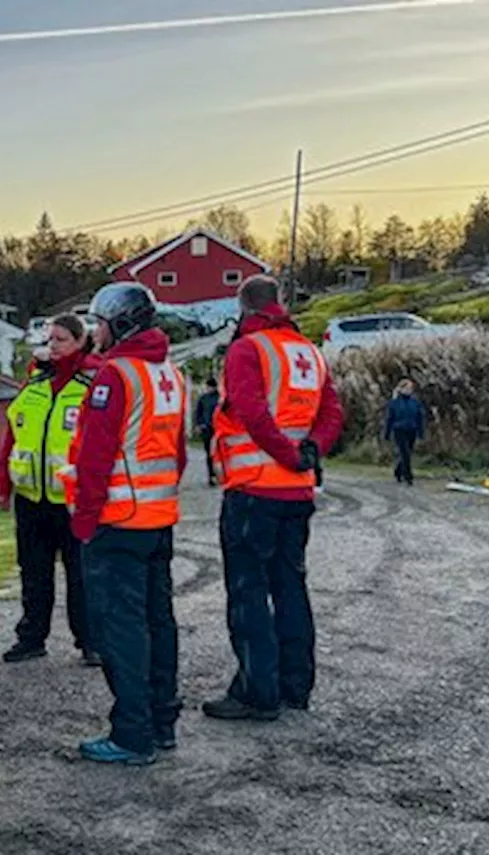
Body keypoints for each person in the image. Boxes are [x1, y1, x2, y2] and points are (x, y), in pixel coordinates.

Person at [202, 275, 344, 721]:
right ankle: (295, 685)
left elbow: (251, 411)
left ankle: (256, 691)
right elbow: (332, 411)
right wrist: (311, 451)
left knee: (248, 593)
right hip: (296, 491)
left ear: (243, 308)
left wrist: (288, 453)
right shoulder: (309, 352)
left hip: (253, 488)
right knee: (290, 587)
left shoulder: (247, 350)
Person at [64, 283, 188, 766]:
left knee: (121, 630)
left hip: (117, 521)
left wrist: (85, 519)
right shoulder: (169, 374)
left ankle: (132, 733)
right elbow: (176, 453)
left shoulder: (115, 375)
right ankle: (162, 723)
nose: (95, 330)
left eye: (99, 321)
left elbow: (95, 456)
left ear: (120, 323)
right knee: (160, 623)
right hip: (158, 518)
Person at [0, 313, 102, 666]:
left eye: (61, 340)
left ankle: (90, 641)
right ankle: (31, 637)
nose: (53, 346)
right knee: (33, 572)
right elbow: (13, 435)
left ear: (79, 342)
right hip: (31, 497)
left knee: (81, 575)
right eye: (50, 339)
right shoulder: (35, 383)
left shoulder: (91, 384)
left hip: (71, 500)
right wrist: (2, 483)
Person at [385, 378, 425, 486]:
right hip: (399, 430)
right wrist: (387, 433)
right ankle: (408, 477)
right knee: (405, 453)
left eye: (410, 388)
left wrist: (421, 432)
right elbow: (389, 418)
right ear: (401, 389)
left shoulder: (415, 402)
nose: (409, 390)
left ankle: (398, 471)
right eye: (406, 388)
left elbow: (420, 417)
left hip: (412, 430)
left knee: (408, 453)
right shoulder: (394, 403)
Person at [194, 377, 221, 487]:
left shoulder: (219, 398)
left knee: (219, 453)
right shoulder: (203, 398)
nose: (208, 388)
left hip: (218, 429)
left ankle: (220, 474)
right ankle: (211, 475)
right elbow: (198, 412)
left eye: (209, 387)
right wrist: (199, 424)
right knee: (209, 454)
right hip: (207, 429)